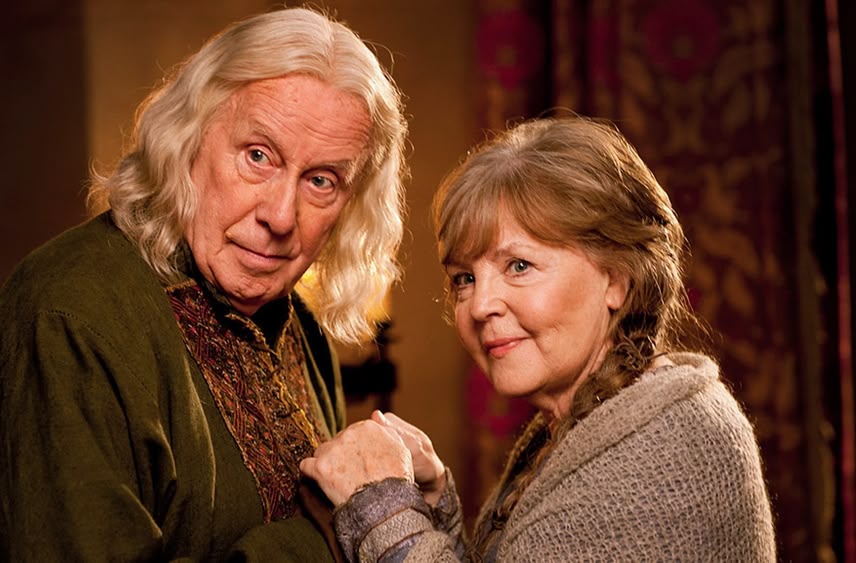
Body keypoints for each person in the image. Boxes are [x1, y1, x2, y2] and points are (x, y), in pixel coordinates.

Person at [0, 7, 408, 561]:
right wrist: (336, 528)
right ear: (188, 137)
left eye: (321, 181)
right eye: (258, 156)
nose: (281, 215)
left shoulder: (302, 327)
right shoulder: (67, 316)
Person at [300, 116, 777, 561]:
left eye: (519, 266)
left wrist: (384, 510)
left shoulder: (666, 450)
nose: (480, 305)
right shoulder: (598, 416)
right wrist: (434, 502)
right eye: (464, 278)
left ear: (616, 280)